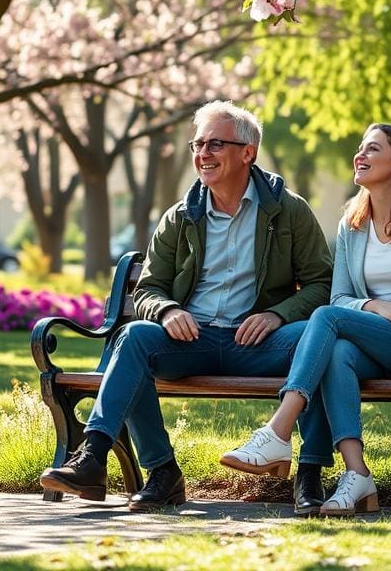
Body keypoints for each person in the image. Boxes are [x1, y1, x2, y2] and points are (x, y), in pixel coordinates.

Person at [40, 101, 335, 513]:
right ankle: (119, 464)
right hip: (192, 339)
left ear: (247, 152)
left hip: (260, 343)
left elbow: (322, 284)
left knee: (319, 337)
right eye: (198, 144)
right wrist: (166, 312)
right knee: (134, 337)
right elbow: (148, 288)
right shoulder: (180, 216)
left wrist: (277, 314)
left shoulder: (289, 211)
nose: (203, 154)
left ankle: (310, 475)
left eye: (216, 144)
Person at [220, 123, 391, 516]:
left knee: (326, 319)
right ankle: (357, 474)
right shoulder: (353, 220)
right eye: (360, 149)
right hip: (373, 342)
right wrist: (379, 307)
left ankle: (278, 431)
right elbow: (342, 297)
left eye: (372, 150)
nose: (359, 156)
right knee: (337, 353)